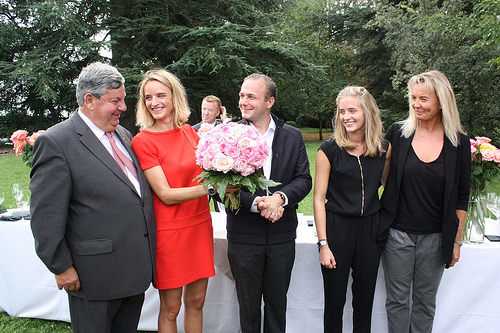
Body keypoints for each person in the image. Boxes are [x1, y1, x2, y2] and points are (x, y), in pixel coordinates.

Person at [29, 62, 155, 333]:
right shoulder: (56, 142)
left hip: (132, 273)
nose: (123, 107)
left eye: (123, 99)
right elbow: (45, 217)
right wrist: (61, 266)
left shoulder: (122, 134)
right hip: (93, 277)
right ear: (89, 100)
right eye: (115, 101)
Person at [380, 70, 471, 333]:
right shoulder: (398, 133)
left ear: (441, 101)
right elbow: (382, 176)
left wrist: (456, 241)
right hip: (397, 234)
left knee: (425, 303)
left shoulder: (459, 142)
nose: (416, 104)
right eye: (413, 98)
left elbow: (462, 196)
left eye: (424, 99)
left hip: (436, 237)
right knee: (397, 301)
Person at [226, 73, 312, 333]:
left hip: (281, 236)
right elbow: (219, 189)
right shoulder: (228, 136)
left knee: (277, 306)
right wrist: (257, 204)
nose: (244, 101)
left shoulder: (292, 136)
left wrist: (279, 199)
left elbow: (303, 180)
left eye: (251, 96)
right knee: (248, 307)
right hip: (244, 237)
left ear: (269, 101)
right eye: (242, 95)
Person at [131, 68, 215, 333]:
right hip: (170, 232)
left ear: (174, 96)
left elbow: (209, 170)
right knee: (171, 308)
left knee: (197, 301)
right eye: (148, 97)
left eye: (160, 95)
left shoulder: (190, 132)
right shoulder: (143, 141)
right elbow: (165, 194)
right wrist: (210, 190)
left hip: (199, 225)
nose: (154, 102)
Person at [313, 86, 388, 333]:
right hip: (337, 231)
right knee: (334, 303)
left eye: (352, 110)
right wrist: (323, 244)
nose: (346, 117)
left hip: (370, 232)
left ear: (367, 112)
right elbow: (318, 198)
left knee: (364, 302)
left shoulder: (384, 150)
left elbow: (389, 187)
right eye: (342, 111)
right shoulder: (329, 150)